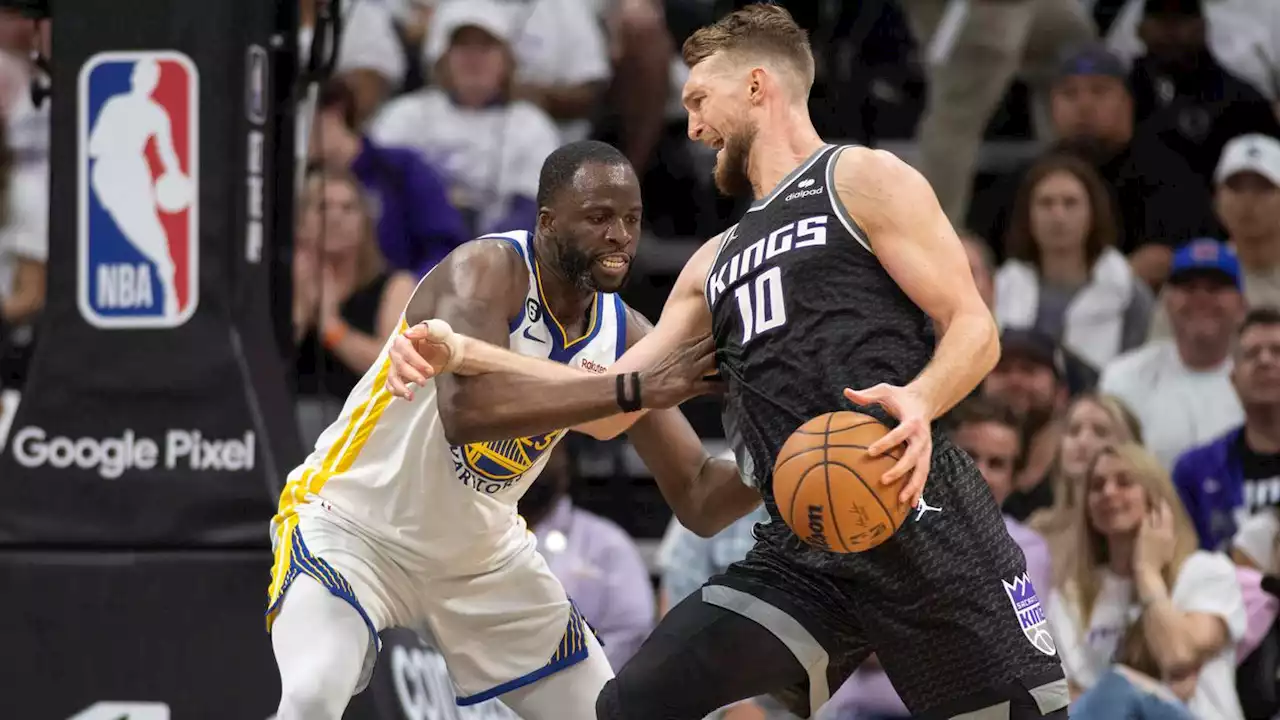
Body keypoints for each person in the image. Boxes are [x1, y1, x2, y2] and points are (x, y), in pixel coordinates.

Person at [389, 6, 1068, 717]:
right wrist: (469, 354)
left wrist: (923, 398)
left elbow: (974, 328)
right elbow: (602, 411)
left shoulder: (859, 177)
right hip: (806, 547)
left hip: (917, 511)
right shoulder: (711, 261)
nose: (690, 125)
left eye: (697, 99)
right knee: (633, 704)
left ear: (755, 87)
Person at [266, 140, 762, 720]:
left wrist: (778, 464)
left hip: (481, 556)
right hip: (355, 528)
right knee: (311, 696)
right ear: (548, 223)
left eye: (631, 219)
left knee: (603, 713)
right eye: (599, 217)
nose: (620, 236)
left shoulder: (624, 334)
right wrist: (629, 390)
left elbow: (699, 494)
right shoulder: (487, 269)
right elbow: (467, 414)